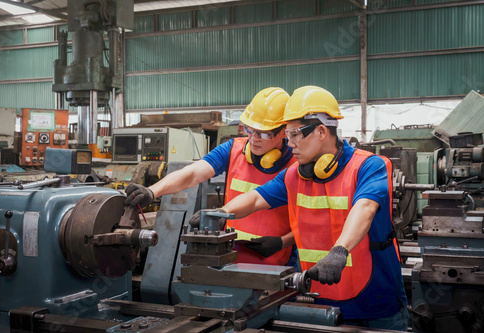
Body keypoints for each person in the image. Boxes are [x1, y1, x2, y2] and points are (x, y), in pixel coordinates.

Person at [206, 86, 408, 331]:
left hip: (374, 304)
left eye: (294, 134)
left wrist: (339, 251)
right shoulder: (294, 175)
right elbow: (256, 199)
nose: (289, 143)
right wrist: (220, 214)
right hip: (319, 301)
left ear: (321, 131)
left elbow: (364, 207)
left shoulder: (369, 166)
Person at [125, 87, 298, 266]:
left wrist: (282, 242)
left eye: (263, 133)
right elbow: (191, 173)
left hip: (278, 262)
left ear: (284, 130)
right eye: (249, 129)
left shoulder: (296, 165)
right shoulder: (233, 150)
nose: (253, 138)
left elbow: (312, 222)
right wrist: (152, 192)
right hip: (231, 257)